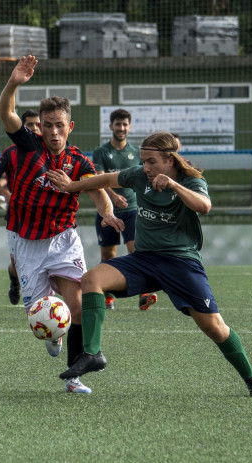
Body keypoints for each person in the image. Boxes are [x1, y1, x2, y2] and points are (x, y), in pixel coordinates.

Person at [47, 131, 252, 398]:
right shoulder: (140, 176)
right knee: (92, 279)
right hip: (144, 260)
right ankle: (93, 353)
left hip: (181, 263)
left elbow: (205, 206)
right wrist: (72, 186)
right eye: (143, 161)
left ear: (170, 160)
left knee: (215, 328)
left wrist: (175, 186)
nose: (146, 168)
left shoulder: (191, 181)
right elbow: (107, 178)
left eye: (152, 162)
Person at [0, 55, 123, 394]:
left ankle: (74, 376)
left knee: (78, 303)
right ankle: (53, 332)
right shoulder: (28, 146)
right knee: (41, 318)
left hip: (64, 240)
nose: (52, 131)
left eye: (59, 125)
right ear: (41, 126)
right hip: (29, 244)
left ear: (70, 127)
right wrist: (13, 83)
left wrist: (107, 211)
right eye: (47, 124)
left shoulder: (80, 160)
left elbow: (96, 189)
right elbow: (6, 113)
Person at [92, 108, 158, 312]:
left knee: (136, 251)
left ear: (129, 127)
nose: (121, 128)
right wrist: (113, 197)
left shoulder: (136, 153)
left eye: (124, 124)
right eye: (117, 124)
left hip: (132, 210)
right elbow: (100, 179)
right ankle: (108, 295)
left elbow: (145, 177)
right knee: (109, 255)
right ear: (111, 126)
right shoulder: (101, 152)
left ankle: (144, 294)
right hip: (108, 211)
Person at [0, 109, 42, 306]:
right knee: (16, 263)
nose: (35, 128)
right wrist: (7, 195)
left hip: (41, 217)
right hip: (16, 216)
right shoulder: (10, 153)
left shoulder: (48, 150)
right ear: (22, 126)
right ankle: (14, 282)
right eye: (30, 125)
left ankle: (39, 299)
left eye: (38, 124)